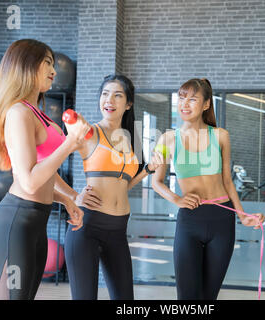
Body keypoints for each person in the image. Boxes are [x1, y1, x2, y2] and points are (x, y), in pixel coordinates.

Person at [0, 39, 91, 300]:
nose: (54, 69)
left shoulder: (37, 112)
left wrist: (69, 199)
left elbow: (45, 173)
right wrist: (69, 144)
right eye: (47, 62)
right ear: (26, 66)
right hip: (15, 223)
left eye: (53, 63)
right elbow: (29, 181)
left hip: (35, 222)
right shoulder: (18, 112)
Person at [151, 78, 265, 300]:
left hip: (222, 219)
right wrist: (177, 200)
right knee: (187, 297)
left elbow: (227, 181)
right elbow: (157, 181)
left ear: (206, 104)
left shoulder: (221, 136)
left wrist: (243, 216)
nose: (185, 104)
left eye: (192, 99)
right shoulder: (167, 139)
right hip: (189, 219)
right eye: (182, 98)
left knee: (208, 296)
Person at [64, 74, 162, 300]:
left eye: (118, 95)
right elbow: (46, 165)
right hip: (87, 226)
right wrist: (73, 196)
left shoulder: (132, 138)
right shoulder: (89, 133)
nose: (109, 100)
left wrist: (147, 170)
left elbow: (123, 185)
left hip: (118, 230)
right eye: (105, 94)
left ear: (128, 104)